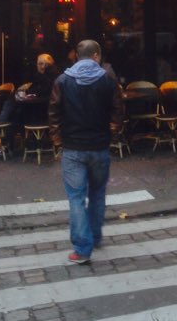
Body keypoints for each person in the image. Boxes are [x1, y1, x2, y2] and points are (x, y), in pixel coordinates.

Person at [48, 39, 124, 264]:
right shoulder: (107, 80)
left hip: (73, 147)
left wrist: (58, 139)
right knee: (98, 193)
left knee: (76, 197)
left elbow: (54, 112)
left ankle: (82, 247)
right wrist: (112, 131)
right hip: (99, 145)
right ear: (97, 55)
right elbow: (118, 110)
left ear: (76, 56)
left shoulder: (62, 81)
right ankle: (95, 235)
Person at [0, 53, 58, 134]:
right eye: (39, 64)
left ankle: (4, 130)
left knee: (15, 108)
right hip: (35, 104)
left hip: (44, 107)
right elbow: (32, 87)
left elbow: (44, 90)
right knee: (11, 104)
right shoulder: (37, 75)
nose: (41, 66)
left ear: (49, 65)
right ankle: (4, 131)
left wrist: (29, 93)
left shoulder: (52, 76)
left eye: (43, 64)